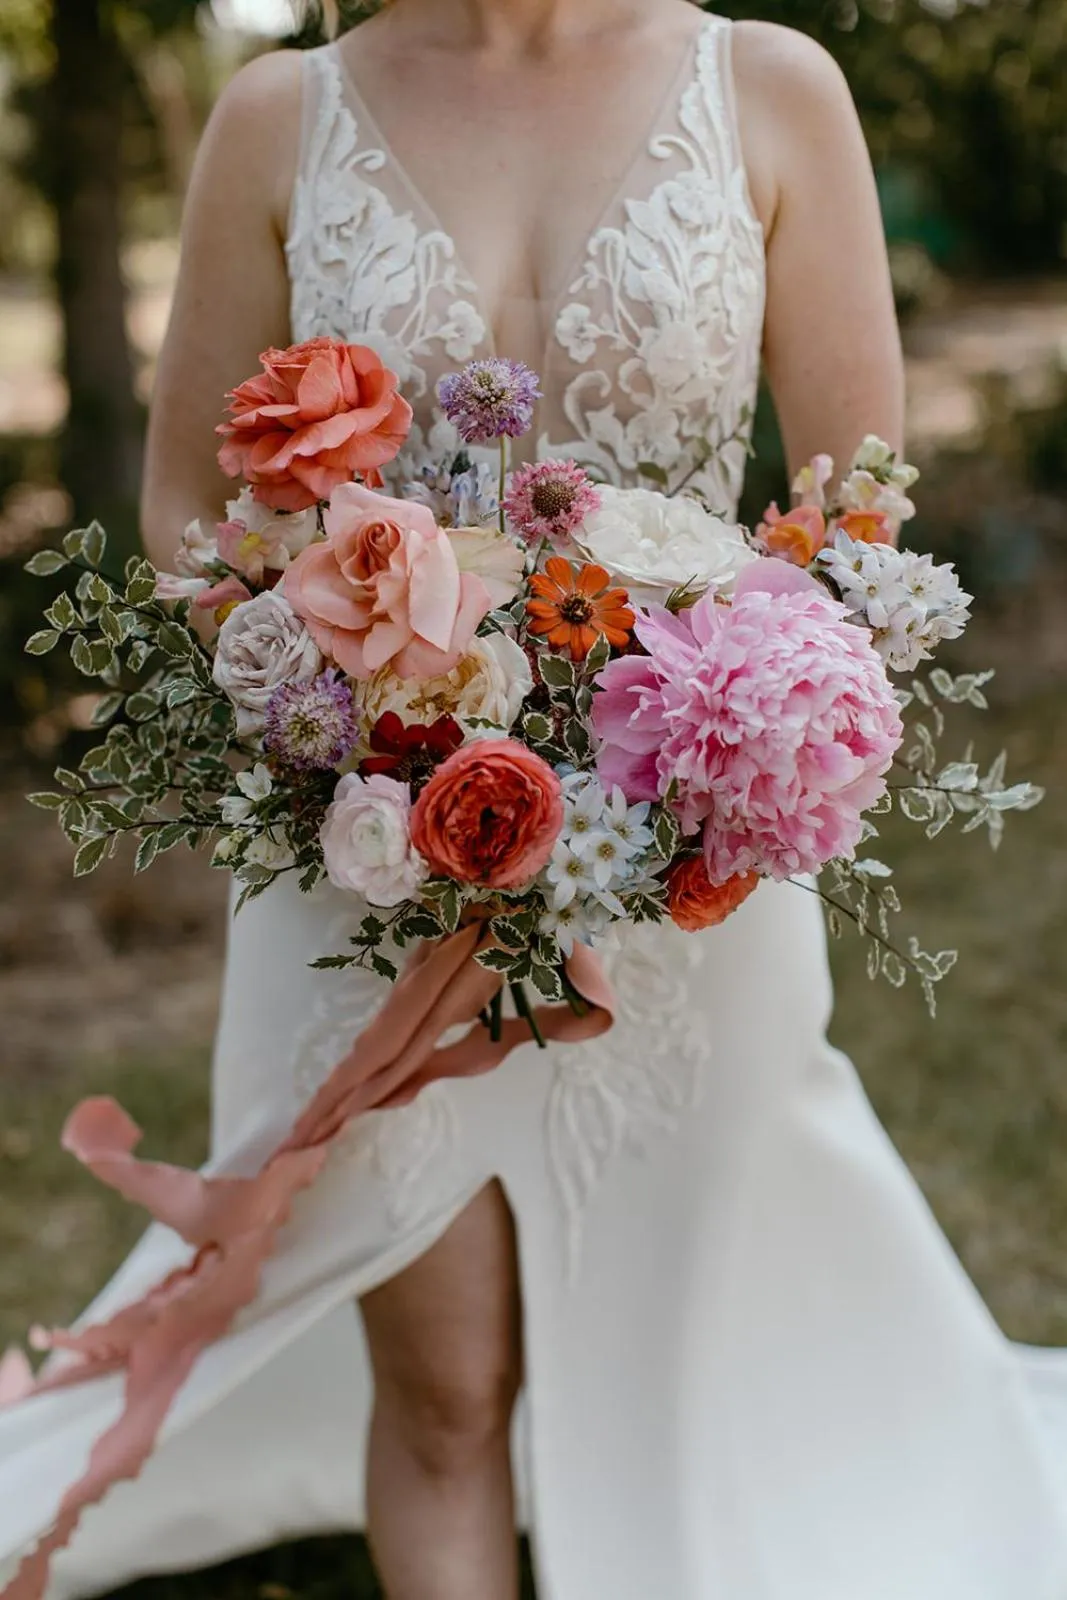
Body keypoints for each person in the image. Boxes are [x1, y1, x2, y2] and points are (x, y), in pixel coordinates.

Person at [2, 2, 1067, 1598]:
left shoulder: (770, 89)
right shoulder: (283, 113)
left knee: (674, 1359)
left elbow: (852, 508)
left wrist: (724, 728)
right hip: (359, 847)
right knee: (442, 1394)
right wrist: (331, 700)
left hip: (685, 848)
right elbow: (182, 509)